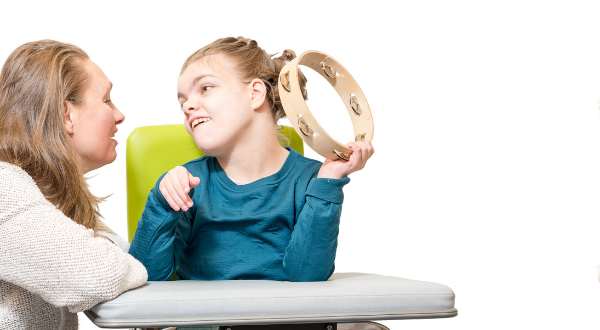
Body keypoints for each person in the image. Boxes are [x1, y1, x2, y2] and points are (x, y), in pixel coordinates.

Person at [129, 37, 374, 282]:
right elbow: (147, 277)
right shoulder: (188, 184)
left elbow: (307, 275)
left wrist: (328, 182)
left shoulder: (314, 180)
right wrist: (163, 203)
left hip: (282, 320)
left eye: (205, 88)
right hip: (206, 320)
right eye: (182, 102)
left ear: (255, 93)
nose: (188, 106)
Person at [0, 40, 147, 330]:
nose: (119, 115)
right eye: (106, 100)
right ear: (68, 114)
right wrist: (96, 251)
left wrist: (100, 248)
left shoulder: (40, 193)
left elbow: (124, 254)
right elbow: (99, 274)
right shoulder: (5, 188)